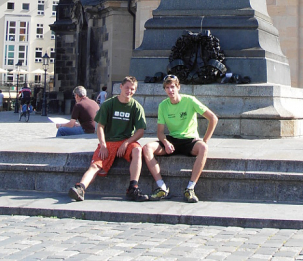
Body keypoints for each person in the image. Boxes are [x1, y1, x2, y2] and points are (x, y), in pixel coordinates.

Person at [68, 76, 148, 202]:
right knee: (95, 165)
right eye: (127, 87)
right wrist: (103, 144)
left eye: (132, 89)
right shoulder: (108, 104)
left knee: (138, 150)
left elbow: (140, 131)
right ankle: (80, 188)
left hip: (126, 141)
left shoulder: (136, 107)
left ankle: (133, 188)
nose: (129, 91)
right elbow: (100, 127)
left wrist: (127, 142)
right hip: (109, 141)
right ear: (121, 87)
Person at [143, 74, 218, 203]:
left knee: (203, 148)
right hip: (172, 140)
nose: (170, 90)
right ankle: (161, 187)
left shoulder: (190, 100)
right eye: (167, 88)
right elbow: (160, 132)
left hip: (190, 140)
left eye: (172, 87)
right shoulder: (163, 105)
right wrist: (165, 142)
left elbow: (213, 118)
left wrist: (205, 140)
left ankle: (190, 188)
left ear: (178, 87)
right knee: (147, 148)